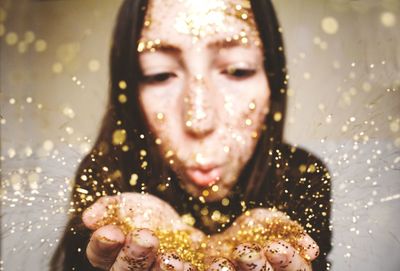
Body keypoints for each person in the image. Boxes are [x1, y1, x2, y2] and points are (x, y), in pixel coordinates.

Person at [51, 0, 332, 270]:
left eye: (237, 70)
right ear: (131, 92)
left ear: (272, 81)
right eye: (159, 74)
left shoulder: (302, 175)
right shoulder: (106, 174)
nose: (198, 120)